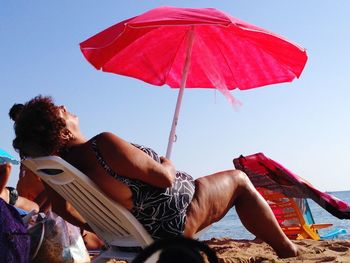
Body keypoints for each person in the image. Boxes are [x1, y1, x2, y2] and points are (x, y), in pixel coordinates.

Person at [9, 95, 300, 258]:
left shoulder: (57, 167)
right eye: (60, 111)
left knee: (226, 182)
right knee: (239, 180)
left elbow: (61, 209)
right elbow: (164, 180)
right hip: (175, 219)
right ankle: (286, 249)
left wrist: (102, 225)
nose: (66, 108)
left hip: (137, 229)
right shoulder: (103, 144)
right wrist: (167, 162)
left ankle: (284, 246)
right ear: (62, 130)